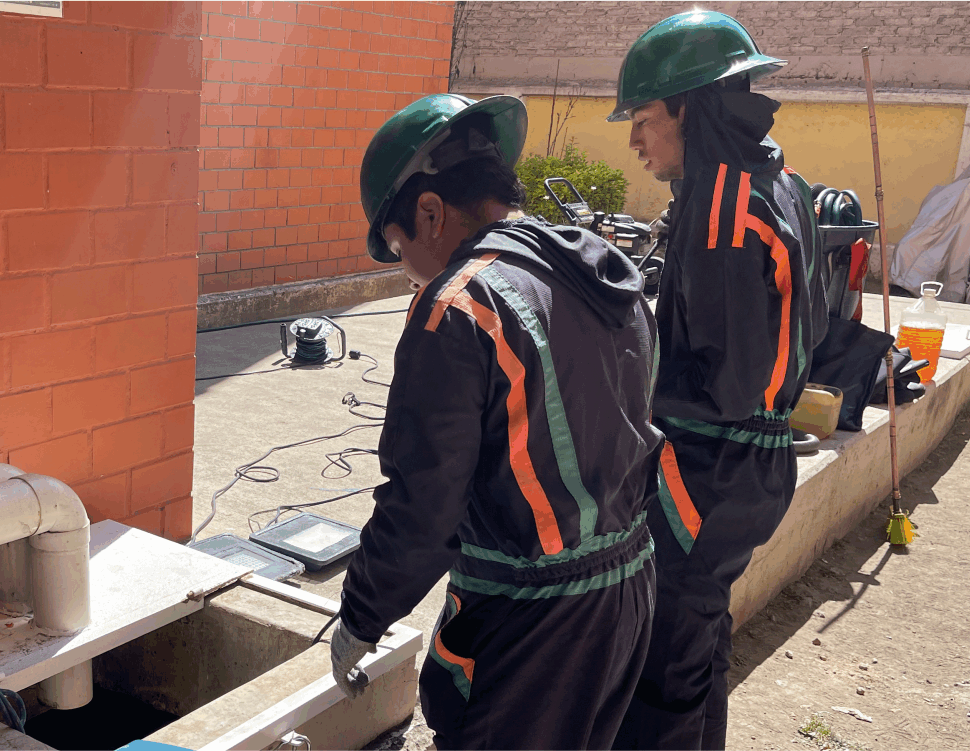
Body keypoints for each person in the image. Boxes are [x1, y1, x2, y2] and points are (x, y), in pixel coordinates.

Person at [328, 92, 665, 750]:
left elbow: (423, 506)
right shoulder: (598, 269)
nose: (406, 274)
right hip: (627, 590)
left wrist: (362, 614)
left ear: (428, 213)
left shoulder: (458, 304)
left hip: (535, 626)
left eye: (398, 250)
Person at [605, 11, 828, 750]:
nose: (634, 140)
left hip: (709, 468)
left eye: (641, 119)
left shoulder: (722, 208)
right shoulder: (782, 179)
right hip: (757, 466)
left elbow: (723, 380)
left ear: (688, 107)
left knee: (660, 672)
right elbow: (812, 321)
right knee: (698, 647)